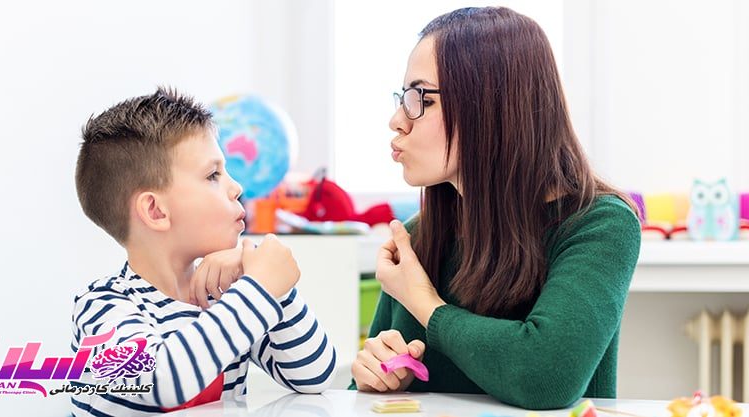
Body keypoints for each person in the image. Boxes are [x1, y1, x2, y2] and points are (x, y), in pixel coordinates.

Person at [350, 7, 641, 409]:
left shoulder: (600, 224)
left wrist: (424, 302)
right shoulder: (418, 235)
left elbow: (545, 376)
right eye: (403, 98)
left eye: (420, 98)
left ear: (491, 104)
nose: (397, 120)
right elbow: (362, 395)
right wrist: (373, 379)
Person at [72, 88, 336, 416]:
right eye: (213, 175)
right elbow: (159, 380)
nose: (236, 187)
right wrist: (260, 287)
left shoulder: (225, 297)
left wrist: (278, 292)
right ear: (155, 210)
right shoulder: (102, 306)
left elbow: (314, 375)